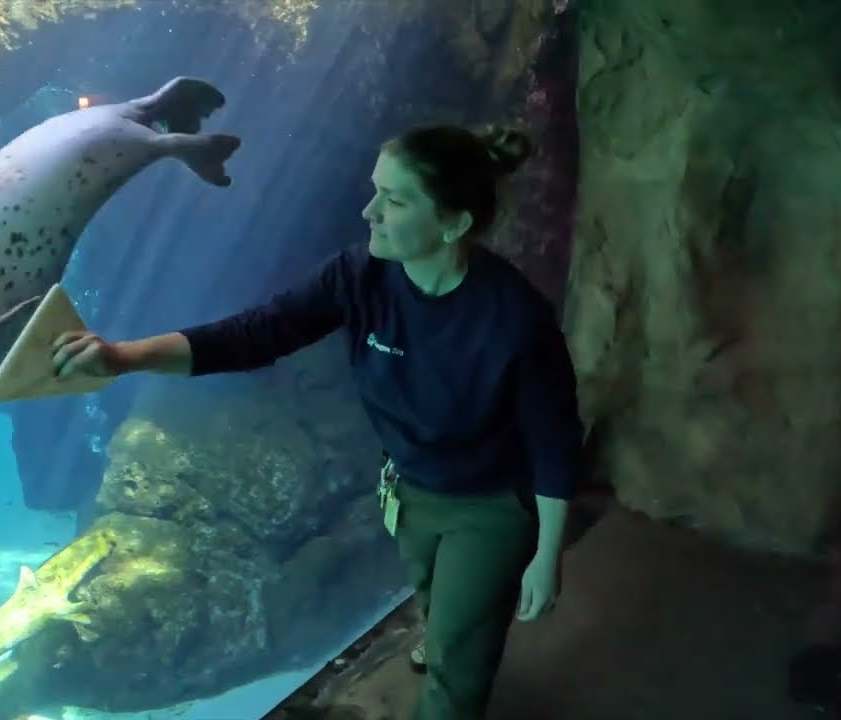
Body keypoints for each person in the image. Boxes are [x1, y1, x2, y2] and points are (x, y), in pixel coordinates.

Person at [50, 122, 585, 719]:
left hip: (489, 506)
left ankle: (451, 661)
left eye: (396, 199)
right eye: (375, 190)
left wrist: (547, 553)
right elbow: (256, 334)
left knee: (458, 674)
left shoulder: (514, 318)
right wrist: (124, 356)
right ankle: (441, 635)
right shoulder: (359, 276)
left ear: (454, 224)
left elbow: (556, 438)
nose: (369, 210)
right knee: (437, 605)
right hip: (408, 488)